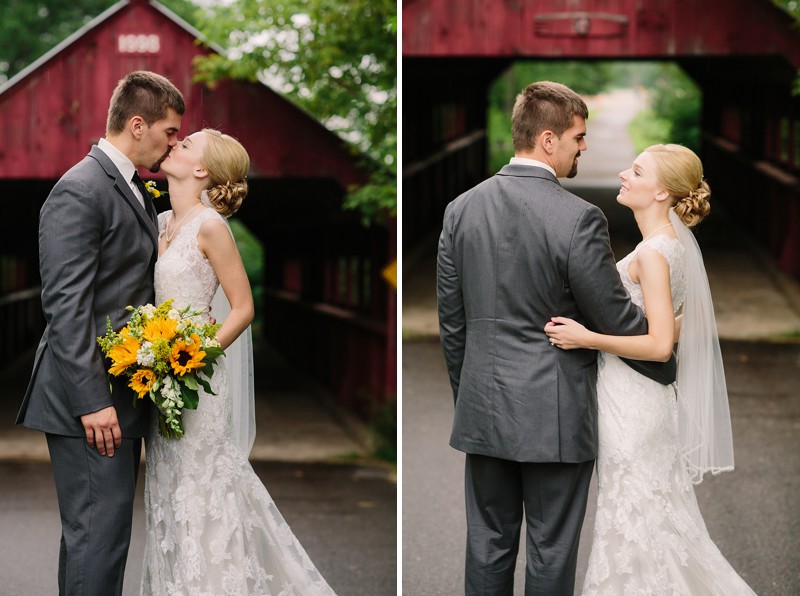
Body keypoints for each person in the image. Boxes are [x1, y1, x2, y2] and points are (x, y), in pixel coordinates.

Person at [436, 80, 675, 595]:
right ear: (548, 140)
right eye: (578, 138)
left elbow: (452, 324)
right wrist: (665, 350)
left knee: (488, 542)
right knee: (551, 550)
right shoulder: (578, 218)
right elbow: (611, 313)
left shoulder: (460, 209)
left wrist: (471, 397)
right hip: (556, 415)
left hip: (483, 408)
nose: (584, 148)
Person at [544, 144, 757, 594]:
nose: (623, 173)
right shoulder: (671, 246)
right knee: (652, 513)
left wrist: (588, 338)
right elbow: (678, 324)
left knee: (632, 512)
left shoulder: (653, 254)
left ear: (661, 192)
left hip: (632, 402)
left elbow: (659, 346)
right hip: (644, 400)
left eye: (636, 171)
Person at [139, 128, 337, 595]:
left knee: (204, 495)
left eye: (185, 144)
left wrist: (192, 358)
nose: (174, 145)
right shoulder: (164, 220)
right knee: (170, 496)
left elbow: (243, 307)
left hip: (195, 380)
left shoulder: (210, 226)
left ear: (202, 170)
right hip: (164, 380)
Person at [16, 70, 184, 595]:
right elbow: (65, 305)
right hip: (87, 401)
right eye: (170, 131)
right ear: (138, 124)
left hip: (115, 393)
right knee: (99, 537)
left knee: (96, 538)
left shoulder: (132, 185)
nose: (173, 142)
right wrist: (93, 401)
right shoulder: (80, 189)